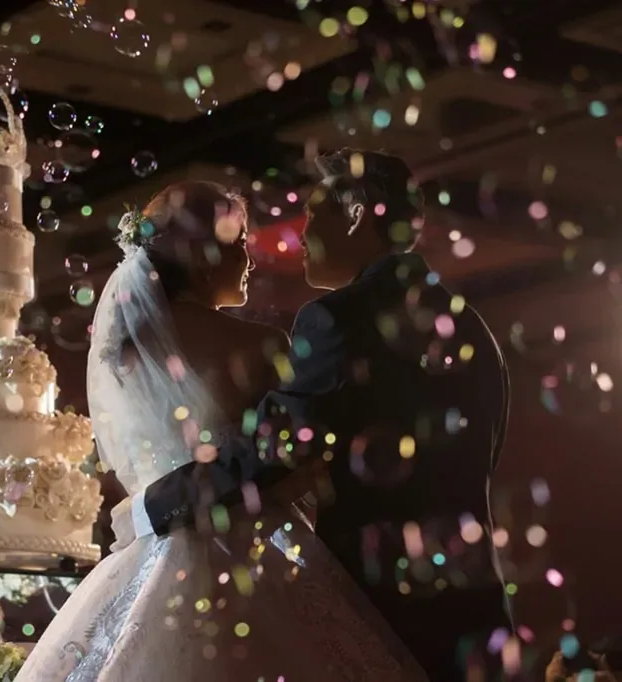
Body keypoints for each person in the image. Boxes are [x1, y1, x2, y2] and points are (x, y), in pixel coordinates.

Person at [114, 150, 514, 681]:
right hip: (478, 621)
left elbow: (270, 449)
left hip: (385, 622)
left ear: (355, 216)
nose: (300, 235)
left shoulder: (337, 320)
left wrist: (150, 507)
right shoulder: (476, 331)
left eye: (313, 213)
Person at [14, 180, 428, 682]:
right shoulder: (263, 345)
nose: (249, 259)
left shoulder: (121, 351)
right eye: (238, 242)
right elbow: (292, 462)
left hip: (150, 544)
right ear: (203, 254)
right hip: (253, 557)